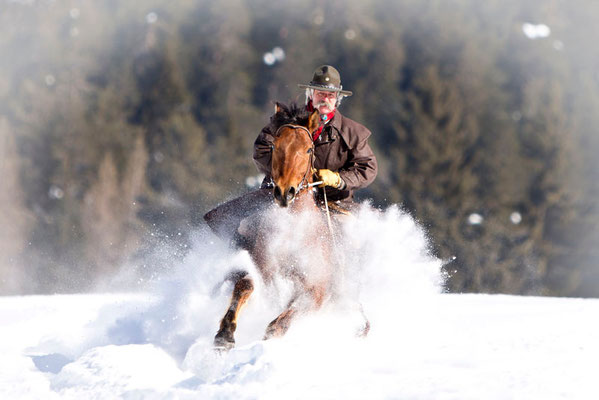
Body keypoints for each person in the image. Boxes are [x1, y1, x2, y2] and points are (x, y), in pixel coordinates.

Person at [204, 65, 377, 246]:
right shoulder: (285, 121)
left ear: (337, 98)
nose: (325, 99)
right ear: (310, 94)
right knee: (240, 224)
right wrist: (287, 172)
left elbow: (368, 167)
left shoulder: (353, 132)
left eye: (330, 95)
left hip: (333, 201)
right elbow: (261, 150)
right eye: (320, 93)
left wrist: (338, 179)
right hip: (279, 193)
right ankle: (239, 267)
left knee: (354, 237)